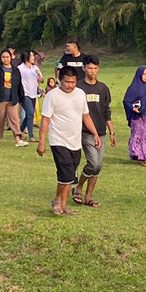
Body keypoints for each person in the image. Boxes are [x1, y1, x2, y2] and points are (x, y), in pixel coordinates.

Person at [38, 67, 99, 216]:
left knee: (70, 176)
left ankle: (61, 203)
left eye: (73, 82)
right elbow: (45, 120)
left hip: (75, 142)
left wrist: (95, 133)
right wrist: (42, 141)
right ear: (60, 79)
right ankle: (60, 204)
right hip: (58, 140)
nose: (70, 85)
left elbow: (86, 116)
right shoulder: (52, 96)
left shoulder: (80, 94)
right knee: (66, 173)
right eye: (67, 82)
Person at [73, 57, 115, 208]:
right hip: (84, 131)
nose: (92, 71)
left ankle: (88, 196)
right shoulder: (78, 88)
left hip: (101, 131)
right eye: (89, 68)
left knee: (98, 166)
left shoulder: (103, 88)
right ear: (84, 68)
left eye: (95, 68)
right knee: (93, 163)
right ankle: (78, 187)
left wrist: (111, 131)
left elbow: (106, 111)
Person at [122, 65, 146, 166]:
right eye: (144, 74)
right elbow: (126, 101)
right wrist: (133, 108)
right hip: (137, 116)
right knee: (138, 134)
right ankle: (139, 155)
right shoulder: (133, 88)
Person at [0, 48, 28, 147]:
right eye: (3, 57)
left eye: (7, 57)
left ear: (10, 57)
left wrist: (21, 98)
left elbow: (19, 84)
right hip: (0, 98)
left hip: (13, 98)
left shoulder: (16, 70)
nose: (5, 59)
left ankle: (18, 139)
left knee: (15, 119)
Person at [18, 51, 44, 137]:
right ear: (27, 57)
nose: (34, 57)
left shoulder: (35, 68)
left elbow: (41, 80)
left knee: (30, 114)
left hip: (33, 94)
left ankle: (19, 131)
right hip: (24, 94)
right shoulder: (20, 68)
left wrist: (38, 74)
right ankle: (31, 135)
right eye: (32, 56)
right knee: (30, 113)